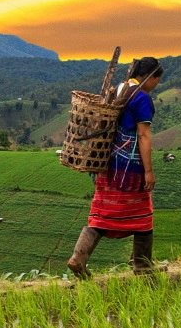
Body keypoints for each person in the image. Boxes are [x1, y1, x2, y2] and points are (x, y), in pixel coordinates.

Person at [66, 57, 162, 276]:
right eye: (157, 80)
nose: (156, 85)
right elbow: (144, 135)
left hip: (107, 163)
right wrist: (148, 171)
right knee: (142, 214)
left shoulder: (120, 88)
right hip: (130, 167)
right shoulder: (142, 98)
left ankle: (78, 257)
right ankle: (142, 265)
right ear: (151, 76)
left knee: (103, 211)